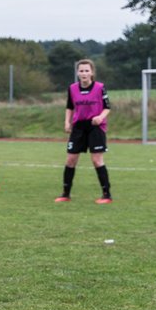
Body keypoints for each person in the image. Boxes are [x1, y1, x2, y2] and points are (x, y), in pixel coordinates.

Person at [55, 60, 112, 203]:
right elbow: (69, 107)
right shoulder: (72, 88)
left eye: (87, 71)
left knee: (96, 160)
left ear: (92, 72)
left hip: (95, 127)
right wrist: (67, 122)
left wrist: (100, 117)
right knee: (70, 160)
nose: (84, 73)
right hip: (78, 127)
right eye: (81, 71)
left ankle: (106, 195)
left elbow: (107, 107)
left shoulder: (100, 88)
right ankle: (65, 194)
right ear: (77, 73)